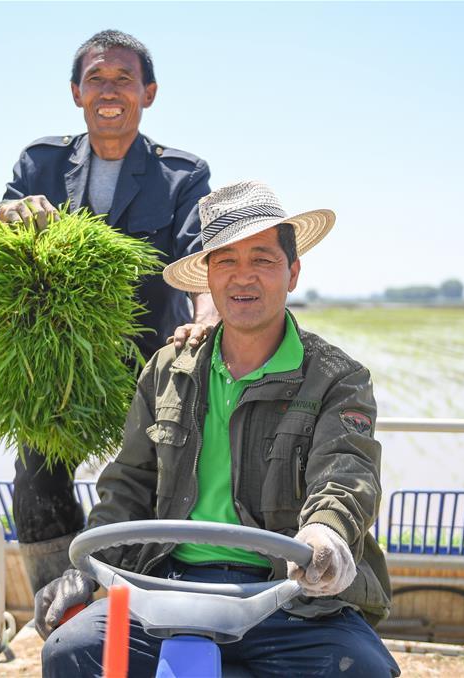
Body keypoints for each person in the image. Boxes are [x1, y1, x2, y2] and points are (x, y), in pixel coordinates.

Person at [37, 181, 400, 677]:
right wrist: (84, 567)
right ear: (207, 278)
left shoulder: (336, 377)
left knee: (362, 669)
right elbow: (128, 484)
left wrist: (324, 534)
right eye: (225, 261)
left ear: (292, 273)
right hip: (166, 588)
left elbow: (347, 474)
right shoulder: (168, 369)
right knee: (70, 652)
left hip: (286, 596)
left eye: (263, 260)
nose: (242, 276)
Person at [0, 29, 219, 592]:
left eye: (123, 79)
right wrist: (9, 215)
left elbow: (200, 259)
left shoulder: (183, 174)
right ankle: (56, 599)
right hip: (56, 359)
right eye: (96, 79)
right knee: (36, 478)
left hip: (150, 359)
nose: (109, 90)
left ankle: (134, 600)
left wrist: (207, 312)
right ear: (75, 92)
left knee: (155, 478)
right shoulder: (42, 163)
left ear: (149, 92)